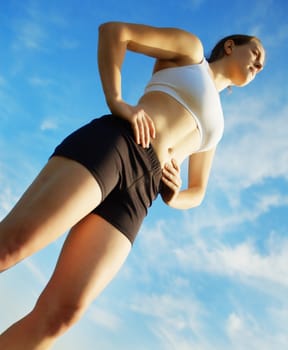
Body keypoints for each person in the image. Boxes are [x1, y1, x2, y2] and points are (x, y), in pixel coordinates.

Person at [0, 21, 265, 349]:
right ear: (230, 47)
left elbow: (198, 191)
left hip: (143, 192)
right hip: (120, 146)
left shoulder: (218, 128)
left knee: (62, 314)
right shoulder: (191, 52)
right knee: (12, 245)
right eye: (256, 52)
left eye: (262, 64)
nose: (259, 63)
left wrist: (174, 194)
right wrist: (117, 100)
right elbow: (114, 33)